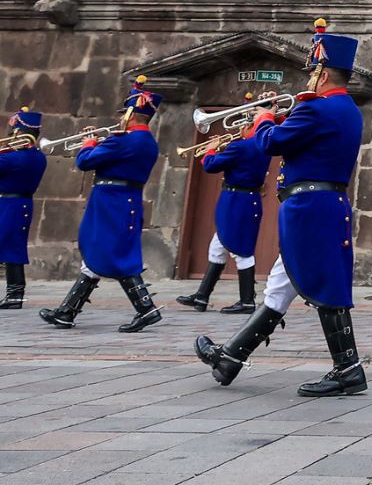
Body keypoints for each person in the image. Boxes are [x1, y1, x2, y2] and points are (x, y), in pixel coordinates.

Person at [194, 19, 368, 397]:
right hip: (323, 204)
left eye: (312, 71)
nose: (309, 79)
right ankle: (230, 359)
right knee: (280, 287)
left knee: (324, 285)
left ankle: (348, 369)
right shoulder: (347, 110)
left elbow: (271, 143)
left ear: (322, 73)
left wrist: (261, 120)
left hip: (309, 207)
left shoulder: (316, 109)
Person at [38, 80, 163, 333]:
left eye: (123, 115)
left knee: (114, 255)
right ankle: (67, 311)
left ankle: (146, 308)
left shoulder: (123, 141)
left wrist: (88, 142)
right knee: (100, 253)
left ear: (129, 114)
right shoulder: (147, 141)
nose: (120, 120)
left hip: (112, 202)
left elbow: (85, 162)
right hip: (123, 200)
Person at [175, 93, 274, 315]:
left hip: (236, 201)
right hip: (246, 200)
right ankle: (202, 296)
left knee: (241, 251)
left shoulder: (241, 147)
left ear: (249, 124)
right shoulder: (259, 146)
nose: (238, 129)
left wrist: (211, 147)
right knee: (218, 246)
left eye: (244, 123)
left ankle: (247, 300)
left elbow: (210, 165)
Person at [0, 109, 47, 309]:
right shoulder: (37, 156)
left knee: (11, 246)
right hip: (21, 204)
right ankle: (15, 294)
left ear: (19, 132)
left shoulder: (13, 158)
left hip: (9, 204)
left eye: (13, 132)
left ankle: (15, 294)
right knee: (13, 247)